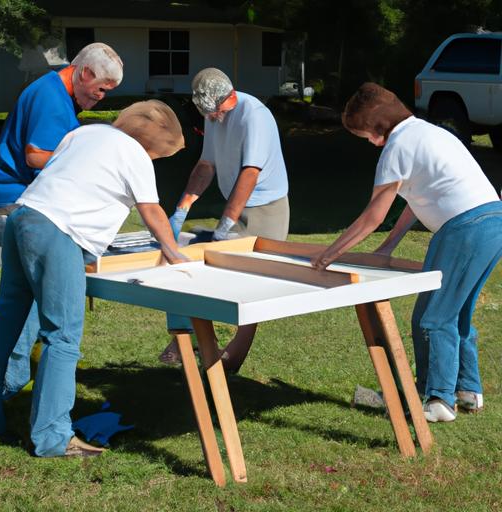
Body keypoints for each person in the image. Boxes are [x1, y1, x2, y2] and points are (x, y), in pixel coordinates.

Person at [0, 100, 187, 456]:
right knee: (62, 336)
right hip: (58, 230)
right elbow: (152, 210)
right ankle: (52, 437)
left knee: (6, 319)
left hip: (22, 217)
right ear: (152, 145)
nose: (156, 161)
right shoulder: (135, 154)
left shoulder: (85, 133)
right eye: (160, 156)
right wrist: (174, 253)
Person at [312, 82, 502, 422]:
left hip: (463, 229)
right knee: (457, 313)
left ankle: (438, 400)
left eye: (366, 136)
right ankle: (467, 390)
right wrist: (389, 246)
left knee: (431, 319)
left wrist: (329, 254)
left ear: (378, 127)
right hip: (492, 221)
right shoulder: (431, 133)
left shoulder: (396, 147)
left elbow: (374, 215)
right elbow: (415, 200)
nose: (370, 143)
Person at [0, 42, 123, 399]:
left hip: (20, 204)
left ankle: (5, 383)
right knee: (32, 302)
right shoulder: (51, 97)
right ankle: (8, 383)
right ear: (84, 73)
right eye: (101, 89)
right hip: (17, 204)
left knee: (16, 305)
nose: (101, 98)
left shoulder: (56, 93)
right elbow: (35, 156)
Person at [161, 67, 290, 372]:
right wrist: (182, 209)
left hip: (266, 209)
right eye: (208, 113)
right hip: (238, 204)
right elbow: (206, 165)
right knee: (192, 267)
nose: (213, 118)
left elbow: (250, 173)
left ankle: (231, 358)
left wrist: (225, 225)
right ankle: (189, 338)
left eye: (217, 111)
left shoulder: (254, 115)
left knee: (250, 288)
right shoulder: (213, 114)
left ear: (230, 96)